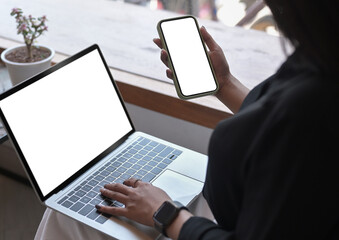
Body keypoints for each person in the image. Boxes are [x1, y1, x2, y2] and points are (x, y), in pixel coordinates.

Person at [36, 0, 339, 239]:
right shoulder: (320, 58)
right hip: (224, 204)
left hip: (208, 222)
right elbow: (277, 124)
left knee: (63, 215)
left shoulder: (312, 103)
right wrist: (225, 84)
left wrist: (164, 213)